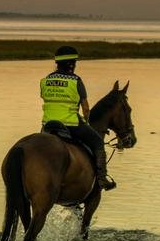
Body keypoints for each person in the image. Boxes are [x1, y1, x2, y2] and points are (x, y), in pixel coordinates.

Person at [40, 45, 116, 191]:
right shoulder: (76, 81)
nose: (75, 65)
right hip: (70, 124)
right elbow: (86, 109)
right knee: (98, 143)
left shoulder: (45, 80)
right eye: (74, 62)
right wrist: (86, 122)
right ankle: (102, 179)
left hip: (47, 125)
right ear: (70, 64)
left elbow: (46, 99)